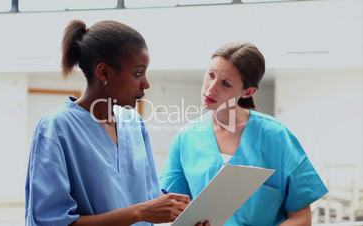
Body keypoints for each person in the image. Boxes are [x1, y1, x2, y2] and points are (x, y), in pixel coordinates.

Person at [25, 20, 192, 226]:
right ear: (104, 72)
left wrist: (181, 211)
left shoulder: (134, 123)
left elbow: (149, 198)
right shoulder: (56, 128)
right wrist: (140, 212)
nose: (146, 83)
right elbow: (50, 222)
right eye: (138, 73)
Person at [160, 42, 328, 226]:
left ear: (248, 92)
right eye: (211, 75)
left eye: (225, 84)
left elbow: (302, 218)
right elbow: (174, 212)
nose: (211, 88)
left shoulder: (276, 136)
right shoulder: (186, 138)